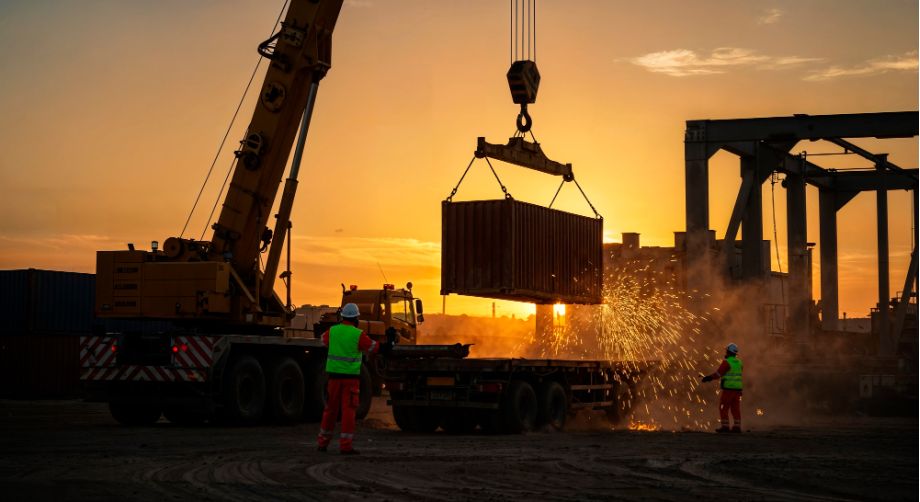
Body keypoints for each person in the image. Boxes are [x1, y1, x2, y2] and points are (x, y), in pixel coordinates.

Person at [317, 302, 394, 454]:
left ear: (343, 317)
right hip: (350, 380)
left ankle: (322, 443)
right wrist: (390, 341)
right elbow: (375, 348)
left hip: (333, 379)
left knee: (330, 410)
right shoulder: (358, 335)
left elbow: (322, 341)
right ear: (356, 319)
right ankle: (345, 446)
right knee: (348, 412)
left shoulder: (332, 331)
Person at [700, 342, 743, 433]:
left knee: (723, 407)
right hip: (738, 390)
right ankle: (737, 427)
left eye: (726, 351)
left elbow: (718, 374)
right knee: (735, 408)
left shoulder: (727, 362)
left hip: (728, 389)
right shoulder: (739, 363)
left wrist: (708, 378)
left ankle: (725, 427)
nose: (725, 353)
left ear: (728, 352)